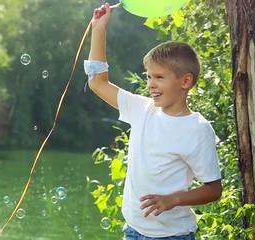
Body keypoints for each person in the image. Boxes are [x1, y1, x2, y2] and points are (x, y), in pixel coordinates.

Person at [84, 3, 223, 240]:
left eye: (159, 77)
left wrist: (174, 199)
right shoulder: (142, 109)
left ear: (185, 81)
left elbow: (214, 189)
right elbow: (97, 82)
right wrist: (99, 29)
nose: (150, 85)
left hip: (173, 236)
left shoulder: (198, 129)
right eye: (149, 77)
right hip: (133, 231)